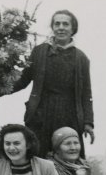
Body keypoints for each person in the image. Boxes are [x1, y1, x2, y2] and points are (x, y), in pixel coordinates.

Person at [9, 10, 95, 158]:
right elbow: (23, 80)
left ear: (73, 28)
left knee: (68, 157)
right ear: (52, 27)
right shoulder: (39, 52)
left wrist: (88, 122)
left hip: (70, 115)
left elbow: (86, 93)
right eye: (57, 24)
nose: (61, 27)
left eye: (65, 24)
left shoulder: (81, 58)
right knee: (37, 156)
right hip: (41, 113)